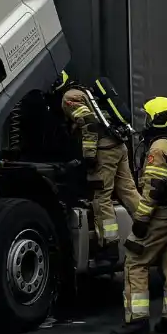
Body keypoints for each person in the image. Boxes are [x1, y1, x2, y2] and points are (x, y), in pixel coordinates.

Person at [111, 96, 167, 334]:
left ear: (159, 119)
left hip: (161, 215)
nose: (146, 121)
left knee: (135, 260)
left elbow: (153, 189)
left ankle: (136, 321)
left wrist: (141, 221)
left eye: (149, 116)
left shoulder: (158, 148)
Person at [54, 70, 140, 262]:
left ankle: (109, 246)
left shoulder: (70, 97)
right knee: (129, 191)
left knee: (101, 198)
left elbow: (89, 124)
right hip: (118, 146)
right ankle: (151, 232)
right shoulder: (84, 91)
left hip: (103, 151)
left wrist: (90, 155)